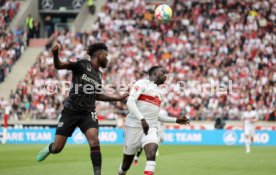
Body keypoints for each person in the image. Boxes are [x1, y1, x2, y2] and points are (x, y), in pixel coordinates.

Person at [36, 42, 128, 175]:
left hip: (88, 113)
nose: (107, 59)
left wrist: (118, 98)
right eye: (106, 55)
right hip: (71, 111)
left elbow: (97, 95)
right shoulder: (81, 64)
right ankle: (50, 148)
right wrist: (55, 54)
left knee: (94, 140)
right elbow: (59, 65)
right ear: (99, 54)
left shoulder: (99, 75)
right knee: (57, 148)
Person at [117, 66, 190, 175]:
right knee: (125, 165)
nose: (165, 76)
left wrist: (176, 120)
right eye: (163, 73)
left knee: (152, 153)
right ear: (155, 73)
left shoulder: (159, 93)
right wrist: (142, 119)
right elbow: (130, 102)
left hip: (150, 128)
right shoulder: (141, 83)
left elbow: (156, 115)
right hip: (133, 127)